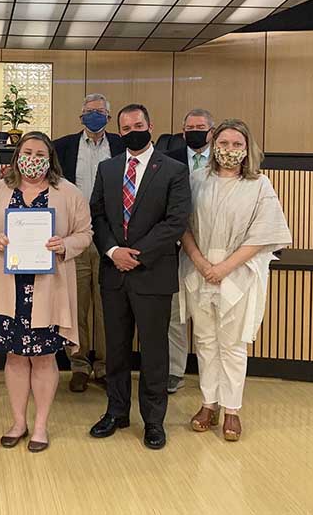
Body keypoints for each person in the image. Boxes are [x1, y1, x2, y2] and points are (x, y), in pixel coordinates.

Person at [0, 131, 92, 452]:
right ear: (16, 156)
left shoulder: (68, 193)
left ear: (50, 158)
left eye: (40, 154)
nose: (33, 159)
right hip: (7, 288)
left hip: (47, 286)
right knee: (14, 357)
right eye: (28, 152)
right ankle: (18, 421)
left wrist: (64, 244)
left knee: (42, 358)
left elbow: (85, 233)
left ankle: (40, 426)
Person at [179, 119, 291, 441]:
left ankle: (232, 409)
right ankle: (208, 403)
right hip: (198, 270)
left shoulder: (259, 185)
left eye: (237, 145)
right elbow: (183, 226)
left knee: (232, 344)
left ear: (247, 148)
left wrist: (225, 267)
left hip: (238, 273)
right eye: (224, 144)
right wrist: (202, 263)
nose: (229, 150)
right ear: (214, 145)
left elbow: (263, 235)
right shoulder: (197, 180)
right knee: (205, 341)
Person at [88, 104, 191, 450]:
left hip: (153, 273)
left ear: (151, 125)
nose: (133, 130)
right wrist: (113, 252)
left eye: (139, 124)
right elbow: (97, 215)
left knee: (153, 352)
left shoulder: (174, 170)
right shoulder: (108, 168)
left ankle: (153, 421)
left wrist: (138, 254)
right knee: (115, 350)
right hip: (114, 272)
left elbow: (176, 221)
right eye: (126, 127)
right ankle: (116, 411)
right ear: (119, 132)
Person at [53, 94, 126, 392]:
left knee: (108, 304)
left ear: (109, 118)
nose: (94, 116)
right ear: (80, 116)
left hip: (112, 236)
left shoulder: (121, 146)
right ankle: (79, 364)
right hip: (75, 236)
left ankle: (107, 366)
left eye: (100, 112)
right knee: (77, 303)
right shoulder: (62, 147)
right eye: (88, 112)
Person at [164, 108, 215, 394]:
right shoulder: (169, 159)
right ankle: (174, 370)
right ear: (182, 132)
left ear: (211, 131)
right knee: (175, 313)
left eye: (201, 126)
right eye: (189, 127)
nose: (195, 131)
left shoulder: (223, 161)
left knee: (211, 314)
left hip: (214, 248)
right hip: (176, 245)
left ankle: (213, 375)